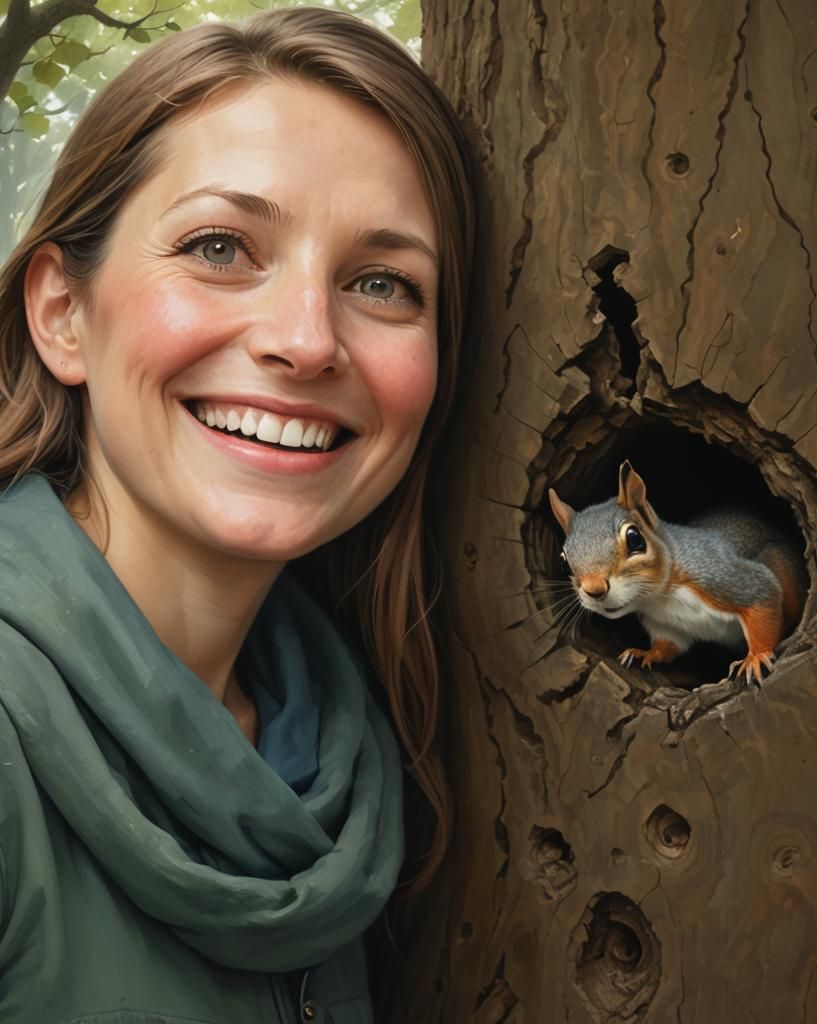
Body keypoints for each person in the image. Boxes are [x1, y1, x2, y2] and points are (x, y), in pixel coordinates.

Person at [0, 7, 475, 1021]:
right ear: (62, 314)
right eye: (220, 246)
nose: (307, 340)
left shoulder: (364, 746)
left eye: (383, 282)